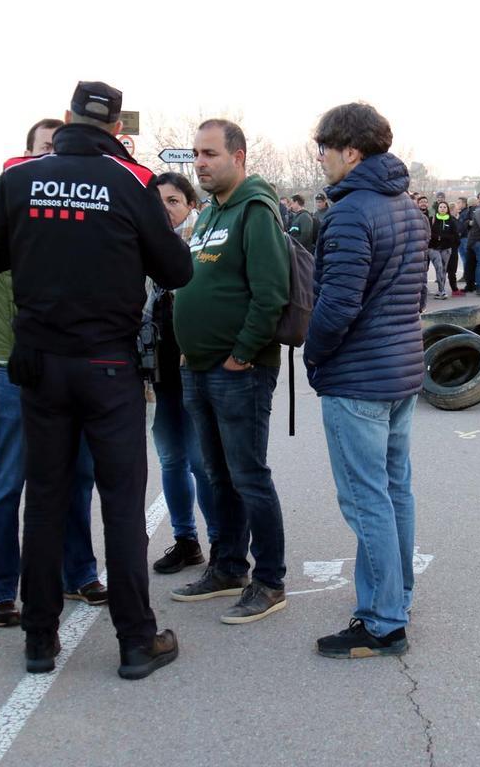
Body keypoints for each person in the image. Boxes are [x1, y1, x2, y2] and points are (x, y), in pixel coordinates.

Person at [0, 81, 192, 680]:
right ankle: (136, 642)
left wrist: (34, 243)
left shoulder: (22, 178)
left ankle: (39, 640)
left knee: (47, 499)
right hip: (107, 367)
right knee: (121, 505)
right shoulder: (133, 180)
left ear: (65, 119)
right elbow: (177, 268)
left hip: (39, 363)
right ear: (116, 129)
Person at [0, 118, 107, 629]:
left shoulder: (77, 207)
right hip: (15, 368)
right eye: (43, 148)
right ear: (27, 153)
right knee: (8, 480)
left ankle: (76, 571)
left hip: (72, 364)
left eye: (57, 149)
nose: (51, 157)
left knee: (77, 476)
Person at [306, 102, 425, 658]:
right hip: (400, 371)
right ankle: (396, 595)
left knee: (366, 499)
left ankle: (382, 620)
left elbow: (337, 304)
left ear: (351, 152)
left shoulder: (352, 212)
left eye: (324, 149)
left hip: (359, 379)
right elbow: (415, 297)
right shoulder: (406, 205)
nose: (321, 160)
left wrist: (314, 356)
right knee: (394, 490)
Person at [170, 118, 291, 624]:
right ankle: (227, 567)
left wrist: (241, 353)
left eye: (210, 154)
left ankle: (269, 580)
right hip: (198, 368)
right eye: (196, 154)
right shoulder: (211, 214)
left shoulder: (254, 211)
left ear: (238, 157)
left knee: (248, 477)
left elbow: (271, 294)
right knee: (217, 475)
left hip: (238, 371)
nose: (199, 163)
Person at [147, 172, 219, 574]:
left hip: (196, 370)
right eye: (157, 201)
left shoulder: (204, 247)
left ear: (191, 205)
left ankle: (221, 545)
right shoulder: (143, 248)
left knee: (199, 461)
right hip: (160, 374)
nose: (165, 209)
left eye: (173, 200)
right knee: (171, 459)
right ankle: (185, 540)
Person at [429, 200, 457, 299]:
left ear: (447, 209)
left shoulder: (451, 220)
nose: (442, 209)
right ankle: (441, 291)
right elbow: (429, 233)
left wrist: (444, 238)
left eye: (444, 207)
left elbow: (454, 234)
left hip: (446, 248)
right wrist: (438, 237)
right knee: (439, 268)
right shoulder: (432, 219)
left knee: (444, 270)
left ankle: (441, 290)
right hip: (433, 248)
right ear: (438, 209)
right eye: (441, 207)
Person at [454, 196, 475, 294]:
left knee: (466, 258)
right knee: (464, 258)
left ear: (464, 203)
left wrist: (459, 233)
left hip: (464, 237)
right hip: (462, 237)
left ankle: (467, 276)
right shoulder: (462, 212)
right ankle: (466, 275)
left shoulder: (466, 212)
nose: (457, 204)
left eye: (459, 202)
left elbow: (462, 226)